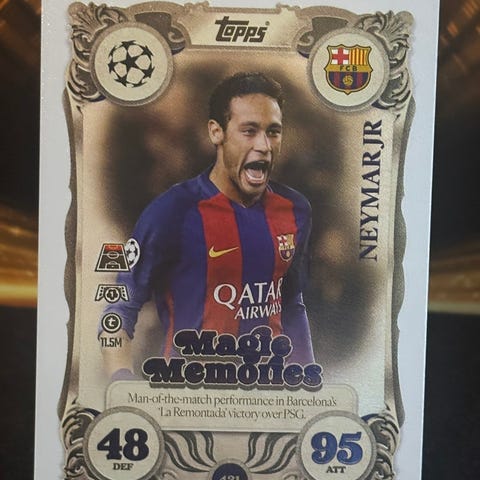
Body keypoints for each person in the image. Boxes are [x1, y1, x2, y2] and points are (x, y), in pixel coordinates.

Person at [100, 72, 315, 379]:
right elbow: (120, 307)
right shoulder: (172, 211)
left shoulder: (296, 210)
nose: (264, 145)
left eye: (273, 132)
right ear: (216, 132)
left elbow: (292, 303)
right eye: (249, 131)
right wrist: (120, 381)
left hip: (268, 394)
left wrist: (307, 381)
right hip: (189, 393)